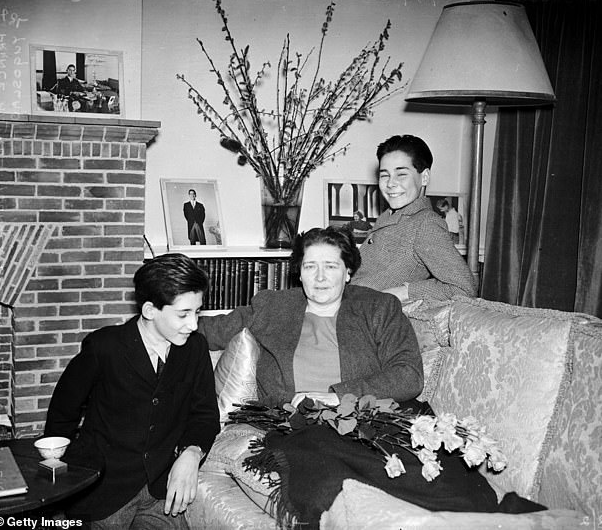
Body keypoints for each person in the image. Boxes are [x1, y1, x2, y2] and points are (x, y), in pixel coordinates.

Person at [44, 253, 220, 528]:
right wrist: (57, 480)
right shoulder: (104, 347)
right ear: (150, 310)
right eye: (183, 314)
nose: (194, 324)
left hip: (160, 490)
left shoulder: (195, 349)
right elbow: (63, 411)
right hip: (103, 490)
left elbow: (205, 414)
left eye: (197, 311)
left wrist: (191, 452)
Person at [198, 226, 423, 408]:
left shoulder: (378, 308)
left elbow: (408, 375)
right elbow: (207, 330)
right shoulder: (272, 307)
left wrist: (341, 396)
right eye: (310, 267)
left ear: (347, 273)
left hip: (360, 420)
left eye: (331, 266)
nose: (320, 277)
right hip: (291, 425)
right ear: (300, 272)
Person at [350, 134, 476, 301]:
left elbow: (464, 288)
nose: (390, 183)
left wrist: (401, 292)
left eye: (401, 174)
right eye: (384, 175)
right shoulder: (388, 218)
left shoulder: (425, 223)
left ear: (424, 177)